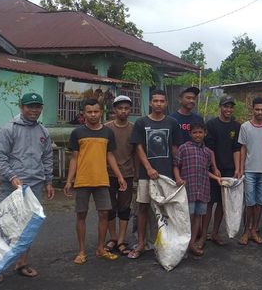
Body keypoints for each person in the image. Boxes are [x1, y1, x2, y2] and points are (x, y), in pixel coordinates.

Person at [0, 92, 54, 283]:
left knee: (28, 228)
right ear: (21, 107)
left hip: (35, 186)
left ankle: (22, 263)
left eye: (37, 106)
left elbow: (47, 157)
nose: (34, 110)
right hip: (12, 187)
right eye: (29, 106)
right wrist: (12, 177)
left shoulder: (43, 131)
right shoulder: (8, 129)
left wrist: (49, 181)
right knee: (4, 227)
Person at [63, 98, 128, 265]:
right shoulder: (77, 133)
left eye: (96, 111)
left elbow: (110, 156)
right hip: (82, 180)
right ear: (83, 114)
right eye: (89, 112)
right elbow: (74, 159)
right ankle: (82, 251)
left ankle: (100, 248)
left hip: (101, 180)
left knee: (104, 214)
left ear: (101, 112)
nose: (93, 115)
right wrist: (69, 181)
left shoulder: (107, 132)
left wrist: (119, 176)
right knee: (81, 215)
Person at [128, 89, 182, 259]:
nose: (159, 104)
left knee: (166, 209)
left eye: (162, 101)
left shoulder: (172, 123)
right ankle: (141, 244)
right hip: (146, 175)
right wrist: (149, 168)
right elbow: (138, 147)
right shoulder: (141, 122)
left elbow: (175, 148)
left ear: (166, 103)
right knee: (143, 208)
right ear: (150, 103)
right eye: (156, 101)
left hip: (167, 176)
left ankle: (166, 243)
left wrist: (176, 171)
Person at [173, 121, 221, 256]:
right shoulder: (183, 148)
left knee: (198, 217)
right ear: (190, 134)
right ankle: (182, 244)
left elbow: (206, 170)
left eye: (200, 132)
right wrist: (178, 178)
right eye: (194, 132)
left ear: (205, 133)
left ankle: (192, 243)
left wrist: (217, 178)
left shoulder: (208, 152)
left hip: (203, 189)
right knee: (185, 217)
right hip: (188, 190)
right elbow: (176, 165)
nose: (197, 135)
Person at [202, 96, 241, 247]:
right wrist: (214, 167)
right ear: (220, 107)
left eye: (231, 107)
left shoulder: (236, 126)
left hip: (229, 169)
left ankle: (215, 233)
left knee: (223, 203)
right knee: (209, 202)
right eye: (226, 106)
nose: (228, 110)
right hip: (214, 169)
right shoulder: (211, 124)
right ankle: (204, 234)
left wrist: (237, 168)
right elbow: (209, 148)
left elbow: (236, 148)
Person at [238, 97, 262, 245]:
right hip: (249, 171)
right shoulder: (245, 127)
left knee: (260, 202)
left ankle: (254, 230)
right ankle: (246, 231)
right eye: (257, 109)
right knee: (249, 203)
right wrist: (241, 169)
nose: (260, 112)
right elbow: (243, 148)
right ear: (252, 109)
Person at [104, 95, 136, 257]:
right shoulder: (106, 128)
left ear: (130, 110)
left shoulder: (133, 128)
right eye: (120, 108)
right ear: (114, 110)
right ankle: (113, 238)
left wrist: (137, 174)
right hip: (108, 174)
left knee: (124, 208)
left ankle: (122, 240)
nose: (123, 111)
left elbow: (137, 152)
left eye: (126, 108)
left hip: (128, 173)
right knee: (109, 208)